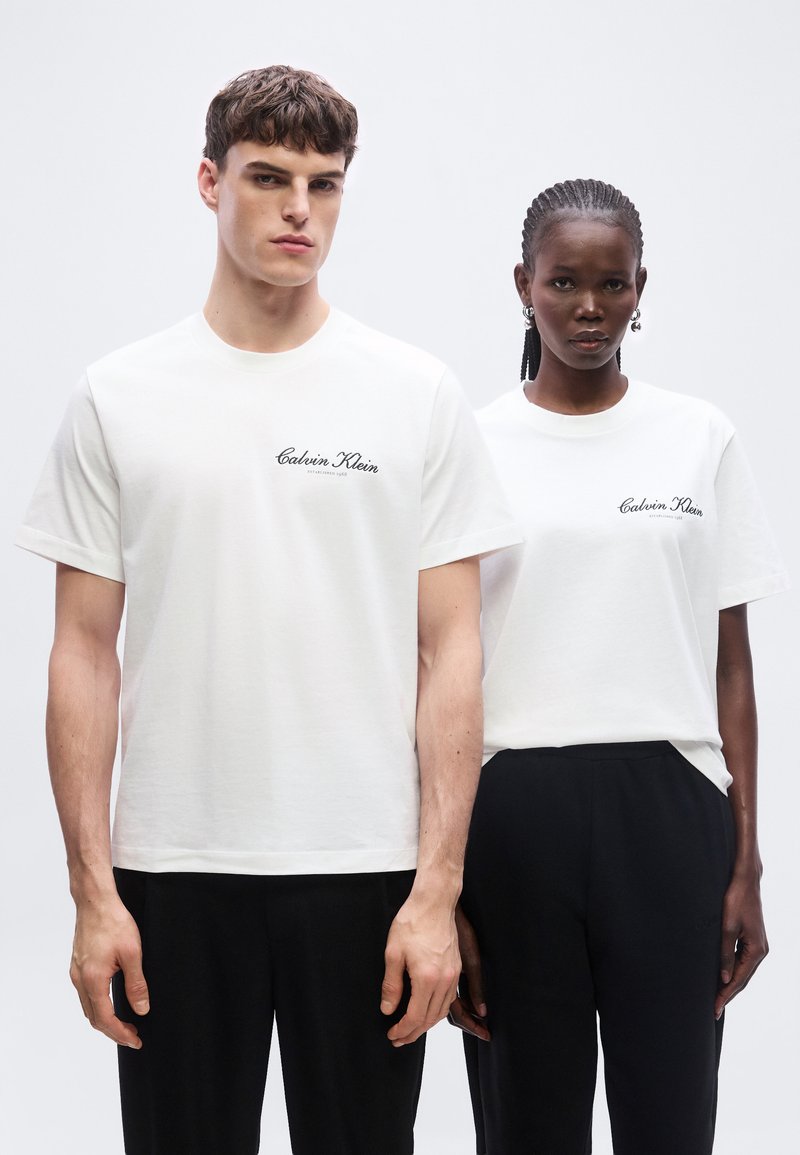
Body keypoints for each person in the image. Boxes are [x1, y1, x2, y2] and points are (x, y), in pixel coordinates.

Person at [16, 66, 519, 1155]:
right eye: (268, 177)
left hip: (365, 871)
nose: (300, 209)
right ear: (210, 182)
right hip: (173, 874)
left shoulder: (413, 394)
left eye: (324, 184)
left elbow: (453, 653)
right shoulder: (117, 398)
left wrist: (436, 891)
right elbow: (82, 655)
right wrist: (93, 894)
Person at [448, 179, 789, 1155]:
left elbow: (731, 668)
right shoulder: (470, 445)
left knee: (670, 1123)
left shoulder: (698, 437)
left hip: (670, 813)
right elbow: (437, 668)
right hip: (512, 815)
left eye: (613, 283)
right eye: (563, 282)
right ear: (523, 285)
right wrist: (441, 886)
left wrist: (745, 860)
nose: (589, 307)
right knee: (526, 1127)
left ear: (643, 288)